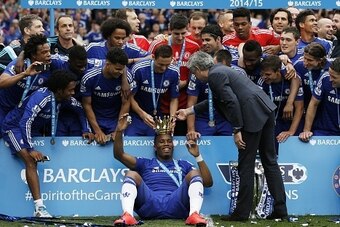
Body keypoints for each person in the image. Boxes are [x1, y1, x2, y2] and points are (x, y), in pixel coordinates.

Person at [176, 51, 287, 221]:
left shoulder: (215, 76)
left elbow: (231, 101)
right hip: (265, 109)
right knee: (269, 161)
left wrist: (236, 130)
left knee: (246, 165)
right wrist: (189, 110)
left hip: (252, 115)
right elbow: (217, 101)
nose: (195, 77)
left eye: (194, 73)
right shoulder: (220, 70)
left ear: (198, 68)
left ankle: (242, 213)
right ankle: (281, 210)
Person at [1, 69, 92, 217]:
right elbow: (26, 121)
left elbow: (80, 109)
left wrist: (85, 129)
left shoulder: (65, 99)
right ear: (59, 89)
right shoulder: (41, 97)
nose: (72, 93)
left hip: (32, 130)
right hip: (14, 127)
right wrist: (30, 149)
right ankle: (39, 209)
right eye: (70, 90)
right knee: (31, 161)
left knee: (36, 160)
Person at [113, 114, 213, 226]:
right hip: (150, 204)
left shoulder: (184, 164)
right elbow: (119, 155)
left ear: (173, 145)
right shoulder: (146, 163)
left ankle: (194, 214)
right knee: (131, 173)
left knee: (194, 173)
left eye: (169, 141)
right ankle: (128, 215)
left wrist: (198, 156)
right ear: (155, 146)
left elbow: (208, 183)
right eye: (161, 141)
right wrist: (119, 131)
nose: (166, 144)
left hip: (176, 204)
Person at [124, 45, 179, 136]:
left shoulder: (174, 72)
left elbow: (174, 98)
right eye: (161, 64)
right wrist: (142, 114)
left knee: (160, 143)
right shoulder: (139, 69)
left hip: (157, 116)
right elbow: (130, 97)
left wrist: (172, 118)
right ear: (153, 57)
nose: (164, 68)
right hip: (136, 115)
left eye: (167, 65)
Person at [81, 47, 131, 144]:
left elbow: (126, 103)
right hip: (95, 118)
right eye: (117, 69)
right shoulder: (89, 77)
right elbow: (86, 104)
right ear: (108, 64)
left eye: (122, 69)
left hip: (115, 119)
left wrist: (118, 130)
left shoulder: (126, 78)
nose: (120, 72)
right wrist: (98, 131)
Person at [299, 57, 340, 140]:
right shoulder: (325, 78)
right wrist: (306, 130)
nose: (330, 79)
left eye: (334, 77)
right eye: (330, 74)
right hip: (324, 131)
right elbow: (313, 104)